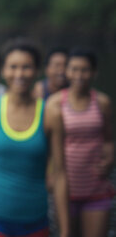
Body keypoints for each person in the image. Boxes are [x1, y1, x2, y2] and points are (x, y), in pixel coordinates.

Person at [0, 38, 69, 237]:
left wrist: (65, 230)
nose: (19, 74)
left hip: (35, 221)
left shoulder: (51, 115)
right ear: (3, 70)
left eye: (26, 67)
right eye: (13, 67)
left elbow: (61, 174)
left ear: (37, 71)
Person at [47, 47, 113, 237]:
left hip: (96, 186)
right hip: (64, 188)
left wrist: (109, 159)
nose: (79, 75)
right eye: (74, 69)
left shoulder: (102, 102)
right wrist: (48, 173)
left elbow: (108, 139)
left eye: (84, 70)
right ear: (66, 71)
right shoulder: (55, 103)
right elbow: (47, 146)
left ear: (94, 73)